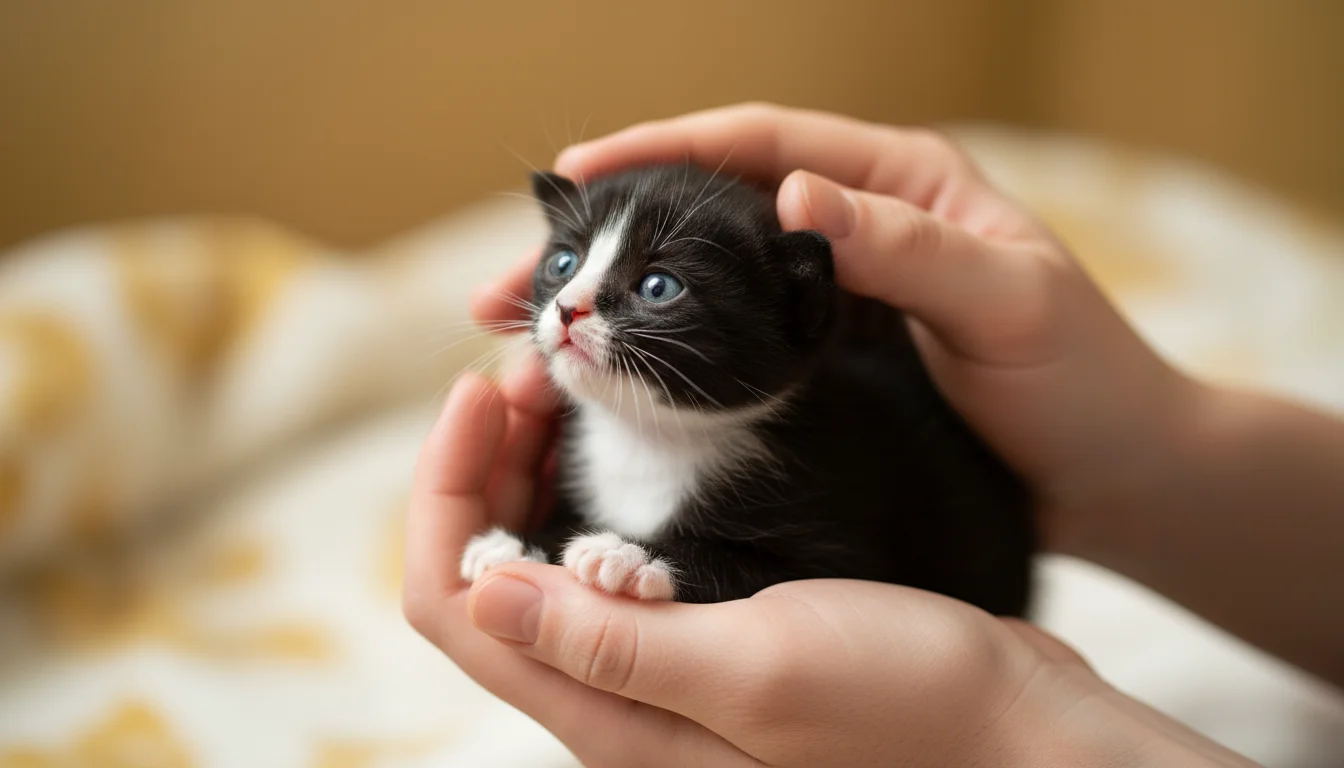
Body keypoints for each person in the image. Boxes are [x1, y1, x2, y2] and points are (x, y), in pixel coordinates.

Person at [401, 104, 1344, 767]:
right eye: (566, 258)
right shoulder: (573, 453)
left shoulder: (811, 472)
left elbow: (774, 569)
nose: (569, 305)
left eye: (657, 286)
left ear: (796, 315)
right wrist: (1157, 449)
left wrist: (1005, 730)